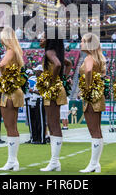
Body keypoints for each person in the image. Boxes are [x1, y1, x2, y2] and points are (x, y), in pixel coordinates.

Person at [39, 30, 72, 172]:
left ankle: (54, 161)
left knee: (53, 123)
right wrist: (62, 79)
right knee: (53, 123)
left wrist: (52, 82)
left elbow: (58, 64)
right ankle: (54, 161)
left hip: (52, 90)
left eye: (44, 37)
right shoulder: (57, 52)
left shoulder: (49, 53)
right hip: (57, 88)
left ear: (50, 39)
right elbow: (68, 64)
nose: (41, 39)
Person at [0, 27, 25, 171]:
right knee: (13, 126)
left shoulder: (10, 51)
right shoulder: (17, 51)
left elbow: (1, 64)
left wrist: (3, 76)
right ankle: (13, 160)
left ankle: (12, 161)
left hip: (9, 90)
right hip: (16, 89)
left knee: (9, 126)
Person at [79, 33, 106, 173]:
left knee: (93, 130)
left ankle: (94, 163)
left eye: (83, 41)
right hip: (97, 95)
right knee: (97, 130)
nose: (80, 43)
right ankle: (95, 163)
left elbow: (88, 70)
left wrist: (87, 87)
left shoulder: (89, 58)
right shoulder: (98, 59)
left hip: (91, 96)